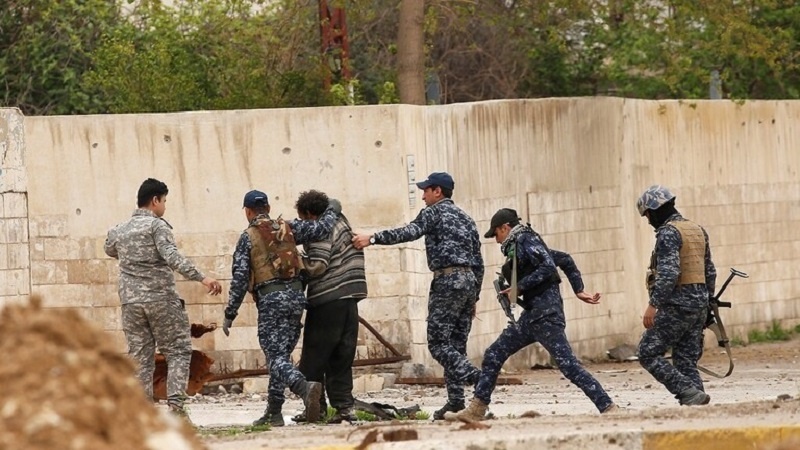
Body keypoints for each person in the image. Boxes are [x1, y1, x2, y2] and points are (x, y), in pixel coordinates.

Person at [451, 208, 617, 421]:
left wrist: (519, 287)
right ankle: (477, 409)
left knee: (568, 365)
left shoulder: (525, 240)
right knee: (493, 354)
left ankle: (608, 407)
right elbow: (563, 259)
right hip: (531, 316)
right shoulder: (523, 245)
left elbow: (548, 266)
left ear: (505, 227)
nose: (496, 240)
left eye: (496, 234)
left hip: (546, 315)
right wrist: (578, 289)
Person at [352, 172, 484, 420]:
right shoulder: (467, 219)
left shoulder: (433, 212)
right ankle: (456, 403)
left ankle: (478, 378)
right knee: (456, 345)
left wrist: (372, 238)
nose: (422, 196)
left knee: (437, 344)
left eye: (426, 190)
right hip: (468, 281)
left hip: (446, 281)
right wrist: (474, 295)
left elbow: (409, 232)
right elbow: (478, 260)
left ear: (438, 192)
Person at [104, 178, 223, 417]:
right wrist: (202, 278)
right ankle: (176, 409)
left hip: (131, 303)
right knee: (178, 351)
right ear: (155, 200)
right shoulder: (157, 226)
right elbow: (171, 256)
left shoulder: (119, 230)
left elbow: (109, 249)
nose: (165, 207)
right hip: (161, 300)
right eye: (164, 201)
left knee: (140, 357)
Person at [221, 190, 341, 425]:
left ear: (247, 212)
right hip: (297, 298)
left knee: (274, 357)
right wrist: (332, 210)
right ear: (267, 206)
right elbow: (321, 229)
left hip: (271, 301)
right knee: (282, 357)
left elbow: (240, 278)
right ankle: (274, 412)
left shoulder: (248, 236)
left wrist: (230, 313)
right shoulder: (289, 227)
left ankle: (304, 388)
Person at [636, 185, 716, 406]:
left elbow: (670, 272)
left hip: (678, 304)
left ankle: (686, 391)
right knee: (684, 359)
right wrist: (708, 303)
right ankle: (696, 402)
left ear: (652, 212)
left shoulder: (668, 233)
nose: (649, 221)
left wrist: (653, 305)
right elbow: (710, 271)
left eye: (647, 216)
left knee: (647, 352)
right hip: (699, 305)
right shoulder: (696, 229)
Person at [292, 190, 367, 424]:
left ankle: (317, 409)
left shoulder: (320, 230)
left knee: (314, 357)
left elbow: (318, 265)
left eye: (303, 219)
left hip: (327, 299)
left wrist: (297, 260)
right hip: (349, 297)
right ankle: (345, 408)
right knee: (341, 357)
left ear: (310, 214)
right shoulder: (341, 220)